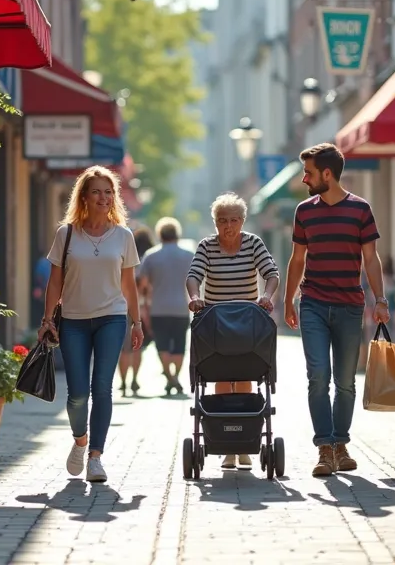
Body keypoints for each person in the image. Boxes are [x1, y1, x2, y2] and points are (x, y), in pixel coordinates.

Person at [283, 144, 388, 477]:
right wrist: (288, 301)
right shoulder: (304, 211)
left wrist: (380, 299)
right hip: (312, 302)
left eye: (309, 173)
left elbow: (370, 258)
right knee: (318, 378)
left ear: (326, 174)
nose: (304, 179)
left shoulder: (360, 209)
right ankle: (324, 449)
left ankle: (341, 444)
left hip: (349, 305)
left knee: (345, 382)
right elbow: (297, 259)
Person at [39, 166, 146, 483]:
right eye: (97, 191)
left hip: (111, 318)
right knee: (76, 393)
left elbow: (129, 285)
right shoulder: (67, 233)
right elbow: (55, 281)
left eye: (109, 191)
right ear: (84, 196)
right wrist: (47, 319)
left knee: (102, 388)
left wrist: (136, 322)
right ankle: (80, 441)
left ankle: (95, 456)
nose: (104, 197)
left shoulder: (123, 236)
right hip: (72, 320)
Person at [186, 193, 280, 470]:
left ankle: (244, 442)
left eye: (234, 220)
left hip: (247, 323)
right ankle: (228, 447)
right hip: (216, 324)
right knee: (221, 375)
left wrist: (268, 296)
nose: (228, 226)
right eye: (222, 220)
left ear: (242, 221)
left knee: (246, 372)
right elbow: (194, 276)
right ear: (215, 222)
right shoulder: (207, 246)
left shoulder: (253, 243)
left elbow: (271, 273)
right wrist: (194, 297)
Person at [136, 217, 195, 396]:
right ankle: (175, 377)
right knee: (179, 345)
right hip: (181, 307)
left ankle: (170, 378)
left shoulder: (151, 255)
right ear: (177, 234)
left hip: (158, 308)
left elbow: (143, 284)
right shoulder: (189, 255)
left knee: (162, 345)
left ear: (160, 234)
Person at [117, 226, 156, 397]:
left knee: (124, 349)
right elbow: (147, 288)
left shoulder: (121, 257)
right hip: (139, 306)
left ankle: (124, 383)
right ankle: (134, 379)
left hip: (120, 306)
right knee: (137, 348)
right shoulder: (146, 261)